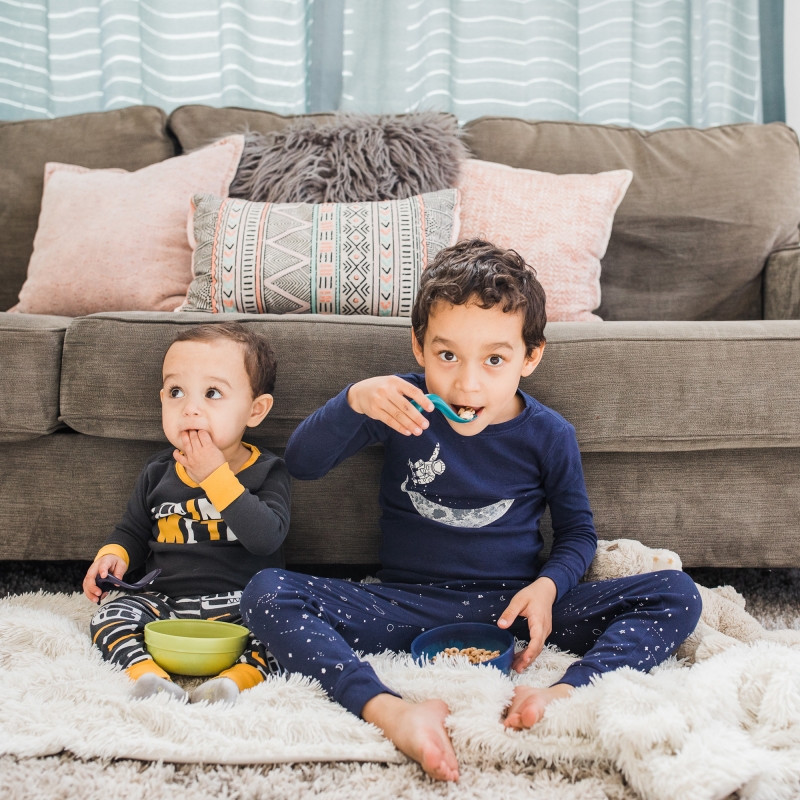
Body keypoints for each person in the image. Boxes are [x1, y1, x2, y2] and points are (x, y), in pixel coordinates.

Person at [241, 239, 702, 781]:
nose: (466, 382)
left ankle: (564, 690)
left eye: (495, 359)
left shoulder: (550, 434)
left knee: (677, 593)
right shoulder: (401, 405)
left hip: (514, 611)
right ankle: (391, 711)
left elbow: (578, 533)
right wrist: (352, 402)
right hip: (405, 606)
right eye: (447, 356)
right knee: (267, 593)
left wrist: (549, 588)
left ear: (530, 357)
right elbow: (301, 463)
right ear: (418, 347)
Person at [83, 322, 291, 705]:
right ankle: (148, 677)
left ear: (255, 410)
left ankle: (234, 681)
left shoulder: (266, 470)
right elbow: (131, 529)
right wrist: (113, 555)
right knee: (106, 618)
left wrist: (215, 476)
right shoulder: (158, 472)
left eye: (212, 393)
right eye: (176, 392)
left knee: (291, 626)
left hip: (242, 603)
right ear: (162, 399)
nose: (190, 408)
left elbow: (266, 539)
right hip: (165, 602)